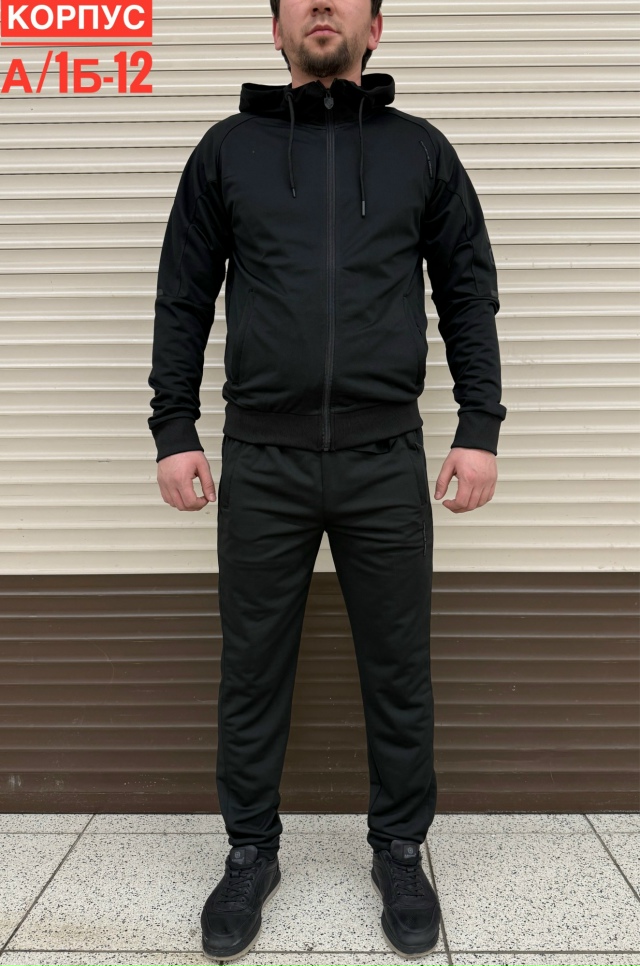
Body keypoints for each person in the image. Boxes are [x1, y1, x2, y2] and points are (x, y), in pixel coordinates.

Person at [147, 0, 507, 959]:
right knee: (252, 668)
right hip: (262, 460)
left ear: (374, 28)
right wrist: (173, 427)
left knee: (398, 667)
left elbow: (467, 289)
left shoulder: (420, 151)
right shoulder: (227, 152)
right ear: (273, 31)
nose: (320, 7)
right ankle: (250, 851)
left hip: (384, 458)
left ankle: (400, 849)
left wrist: (479, 427)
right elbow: (183, 294)